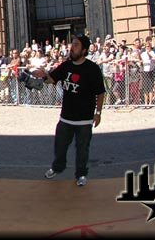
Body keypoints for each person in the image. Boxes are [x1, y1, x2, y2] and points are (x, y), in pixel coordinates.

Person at [32, 34, 105, 187]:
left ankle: (81, 174)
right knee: (59, 145)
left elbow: (100, 92)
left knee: (82, 149)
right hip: (66, 117)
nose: (72, 47)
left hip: (85, 118)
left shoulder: (92, 69)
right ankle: (57, 168)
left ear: (84, 50)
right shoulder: (66, 66)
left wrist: (98, 113)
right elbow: (52, 79)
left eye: (76, 45)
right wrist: (44, 74)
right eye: (72, 44)